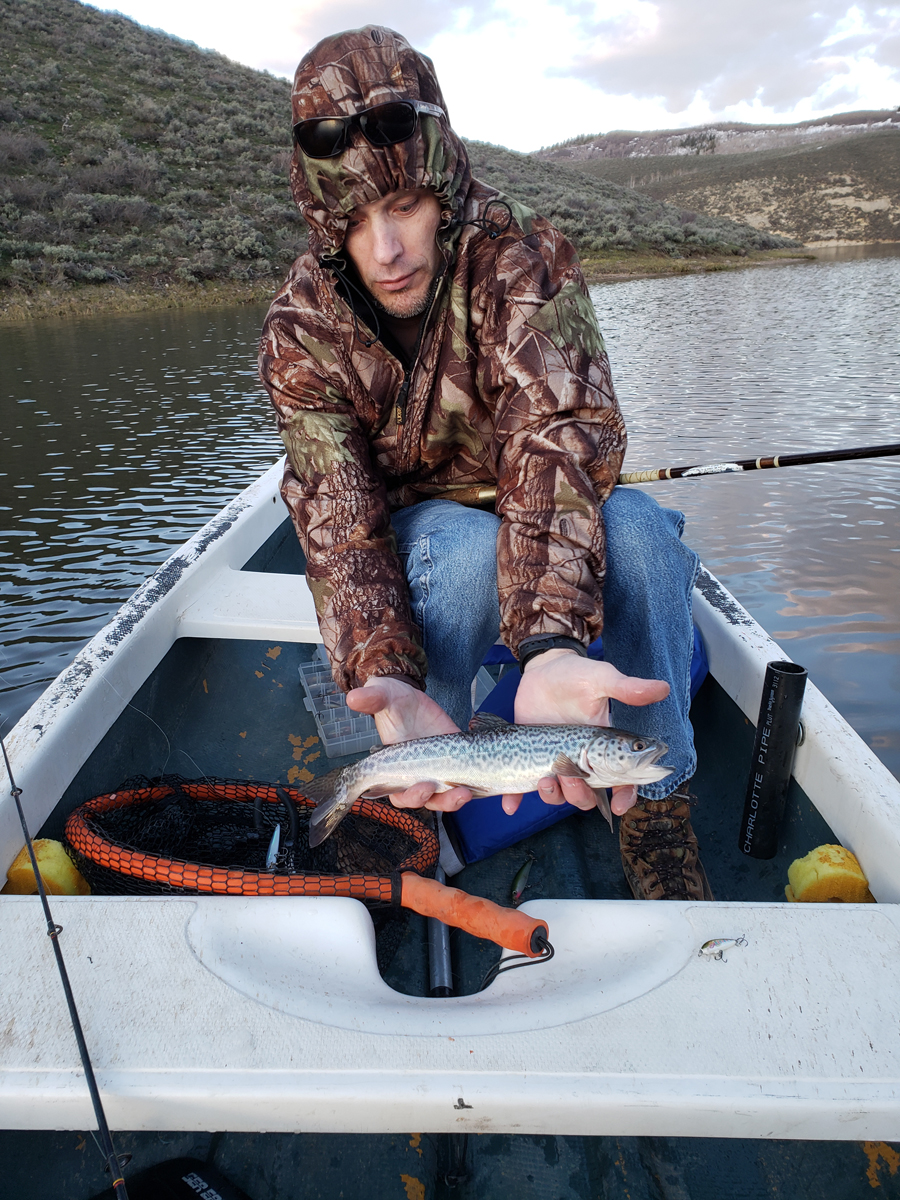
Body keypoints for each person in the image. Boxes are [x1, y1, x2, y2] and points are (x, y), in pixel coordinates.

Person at [259, 25, 711, 901]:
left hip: (546, 497)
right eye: (355, 221)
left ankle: (657, 796)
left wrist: (546, 646)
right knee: (463, 562)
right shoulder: (300, 329)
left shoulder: (523, 255)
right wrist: (381, 667)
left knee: (648, 540)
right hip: (425, 522)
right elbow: (339, 520)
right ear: (323, 221)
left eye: (404, 209)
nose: (385, 249)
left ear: (443, 185)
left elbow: (560, 432)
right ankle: (412, 781)